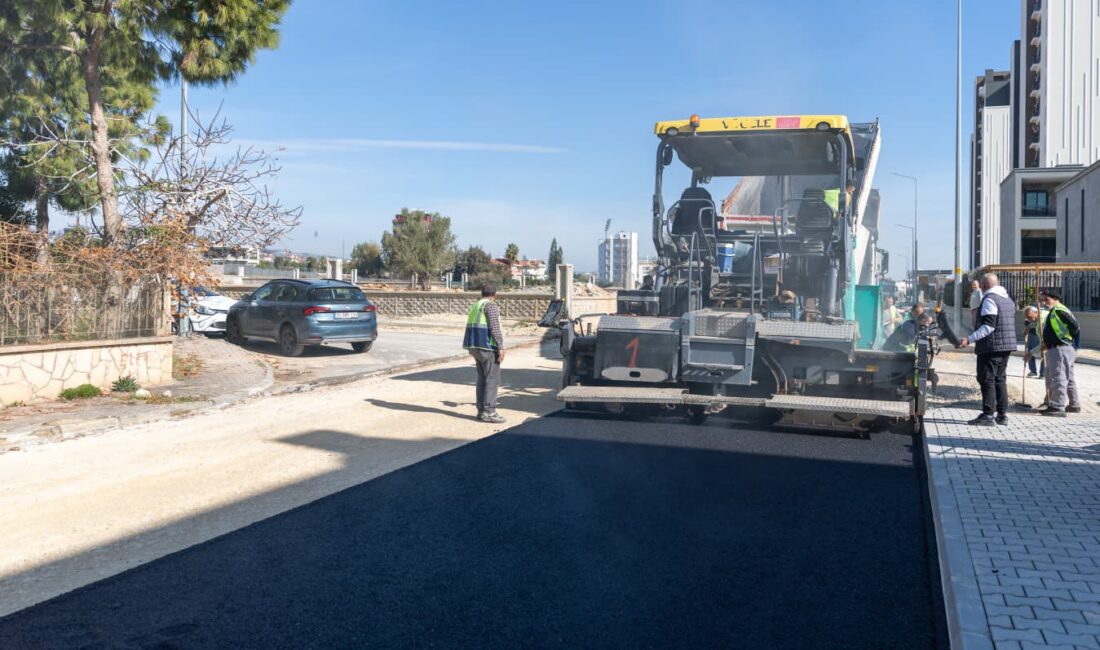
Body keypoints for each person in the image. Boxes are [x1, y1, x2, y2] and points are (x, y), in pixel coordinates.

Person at [958, 273, 1017, 426]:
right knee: (1000, 379)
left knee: (987, 379)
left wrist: (969, 339)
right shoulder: (1007, 299)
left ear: (983, 286)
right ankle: (1002, 415)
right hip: (1006, 346)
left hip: (991, 347)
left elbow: (989, 326)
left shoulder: (990, 299)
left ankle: (988, 414)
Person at [463, 285, 506, 423]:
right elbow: (494, 326)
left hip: (475, 347)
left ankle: (481, 411)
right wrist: (500, 346)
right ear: (494, 295)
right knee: (492, 379)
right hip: (487, 347)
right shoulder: (490, 305)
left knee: (482, 379)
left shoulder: (477, 305)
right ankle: (489, 412)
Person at [1038, 289, 1080, 417]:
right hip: (1062, 348)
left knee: (1058, 377)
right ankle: (1074, 405)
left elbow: (1075, 327)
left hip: (1060, 348)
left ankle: (1057, 406)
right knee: (1069, 377)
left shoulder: (1058, 310)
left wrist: (1064, 340)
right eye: (1043, 300)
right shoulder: (1058, 310)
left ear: (1055, 298)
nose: (1045, 302)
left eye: (1047, 299)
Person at [1022, 306, 1045, 378]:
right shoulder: (1038, 318)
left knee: (1044, 353)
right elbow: (1035, 322)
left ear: (1036, 312)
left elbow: (1044, 344)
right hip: (1038, 337)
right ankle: (1034, 372)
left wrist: (1030, 353)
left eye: (1030, 317)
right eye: (1027, 318)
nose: (1029, 319)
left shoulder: (1044, 321)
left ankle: (1043, 374)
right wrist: (1028, 327)